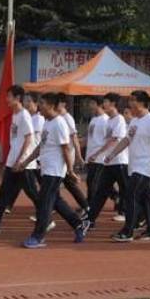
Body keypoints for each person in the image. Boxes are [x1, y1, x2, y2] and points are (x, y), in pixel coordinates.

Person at [18, 93, 90, 248]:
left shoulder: (59, 124)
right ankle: (79, 225)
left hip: (55, 170)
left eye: (42, 103)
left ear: (51, 105)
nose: (39, 107)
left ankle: (38, 236)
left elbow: (65, 149)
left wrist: (70, 171)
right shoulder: (47, 123)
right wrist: (26, 162)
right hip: (46, 169)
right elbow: (41, 146)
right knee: (56, 201)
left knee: (45, 203)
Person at [106, 90, 150, 242]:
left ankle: (128, 231)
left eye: (133, 100)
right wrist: (112, 154)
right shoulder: (134, 121)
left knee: (131, 195)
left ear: (142, 103)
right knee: (146, 199)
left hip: (146, 165)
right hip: (135, 165)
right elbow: (127, 140)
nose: (130, 104)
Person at [0, 85, 39, 235]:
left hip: (24, 164)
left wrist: (20, 160)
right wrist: (11, 160)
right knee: (4, 193)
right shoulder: (16, 115)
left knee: (32, 193)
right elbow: (16, 140)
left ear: (17, 98)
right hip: (14, 162)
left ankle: (47, 217)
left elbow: (29, 139)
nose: (6, 99)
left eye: (9, 96)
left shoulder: (24, 116)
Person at [87, 92, 129, 225]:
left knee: (127, 190)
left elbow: (114, 140)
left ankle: (136, 215)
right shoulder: (109, 120)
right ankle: (90, 219)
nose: (103, 104)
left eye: (106, 102)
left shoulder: (119, 120)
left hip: (120, 161)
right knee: (101, 190)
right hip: (109, 162)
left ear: (113, 104)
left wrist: (99, 153)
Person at [57, 94, 90, 215]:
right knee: (67, 183)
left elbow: (74, 137)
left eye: (58, 103)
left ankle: (86, 207)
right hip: (59, 156)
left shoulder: (67, 118)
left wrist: (78, 155)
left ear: (64, 104)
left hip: (66, 155)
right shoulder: (58, 118)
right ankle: (85, 206)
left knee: (65, 183)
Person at [84, 96, 109, 207]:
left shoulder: (105, 120)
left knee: (92, 182)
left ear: (99, 104)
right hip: (91, 156)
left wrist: (98, 154)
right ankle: (116, 197)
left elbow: (108, 141)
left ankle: (90, 206)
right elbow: (90, 137)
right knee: (95, 182)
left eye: (92, 103)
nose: (90, 106)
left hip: (100, 158)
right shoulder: (93, 119)